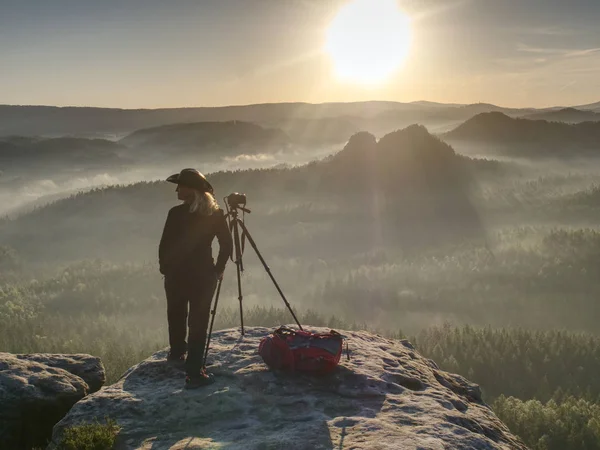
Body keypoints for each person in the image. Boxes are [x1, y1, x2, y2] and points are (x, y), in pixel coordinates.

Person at [159, 168, 233, 388]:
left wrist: (166, 269)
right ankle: (194, 372)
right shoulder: (215, 214)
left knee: (176, 313)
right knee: (198, 322)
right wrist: (218, 270)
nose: (176, 189)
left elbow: (164, 245)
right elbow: (227, 245)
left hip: (176, 275)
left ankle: (177, 353)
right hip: (203, 275)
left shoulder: (175, 213)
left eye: (180, 186)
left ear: (191, 190)